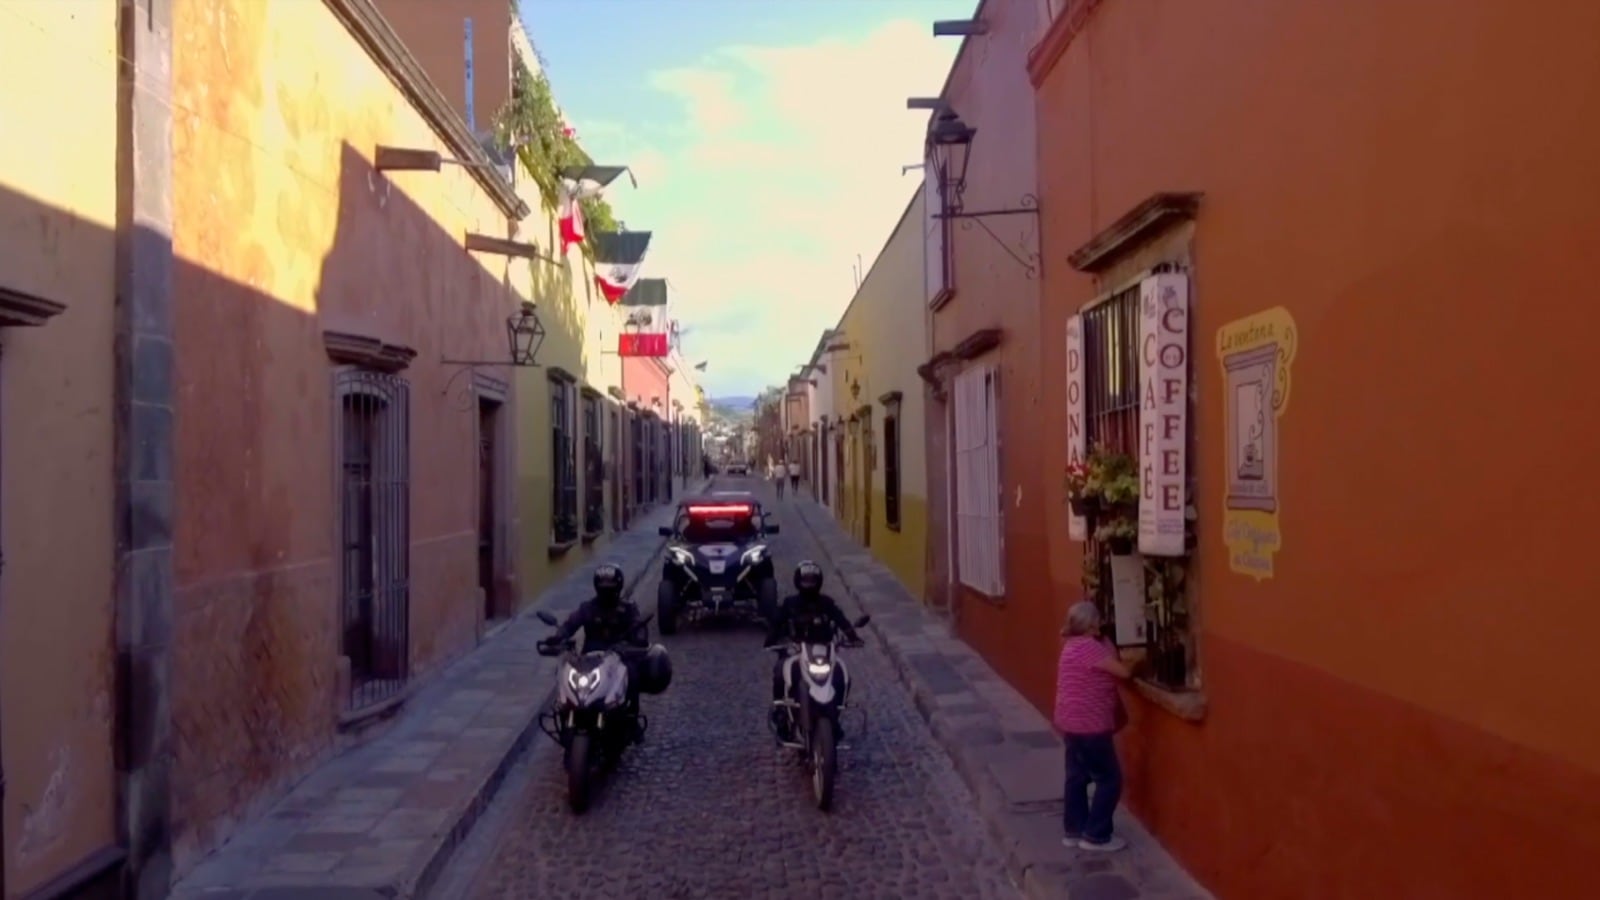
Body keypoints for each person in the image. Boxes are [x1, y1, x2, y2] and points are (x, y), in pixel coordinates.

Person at [1053, 601, 1136, 852]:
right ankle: (1096, 836)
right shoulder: (1092, 648)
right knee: (1109, 779)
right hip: (1091, 726)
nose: (1100, 622)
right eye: (1097, 620)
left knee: (1076, 777)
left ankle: (1073, 830)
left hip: (1070, 723)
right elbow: (1123, 672)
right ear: (1090, 625)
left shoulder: (1071, 645)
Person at [539, 564, 657, 733]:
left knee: (632, 674)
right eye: (603, 589)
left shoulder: (628, 609)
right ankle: (566, 717)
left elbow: (638, 629)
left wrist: (636, 642)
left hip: (619, 657)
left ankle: (631, 719)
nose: (606, 593)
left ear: (618, 588)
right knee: (565, 674)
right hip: (590, 659)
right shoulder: (587, 608)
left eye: (610, 589)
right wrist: (559, 637)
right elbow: (571, 623)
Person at [762, 560, 862, 740]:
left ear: (819, 581)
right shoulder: (790, 603)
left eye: (812, 580)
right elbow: (777, 622)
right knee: (780, 672)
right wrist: (771, 640)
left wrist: (852, 636)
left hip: (823, 651)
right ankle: (782, 713)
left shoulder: (827, 603)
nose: (808, 583)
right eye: (805, 579)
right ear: (798, 581)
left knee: (842, 676)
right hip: (796, 650)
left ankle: (835, 717)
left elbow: (841, 620)